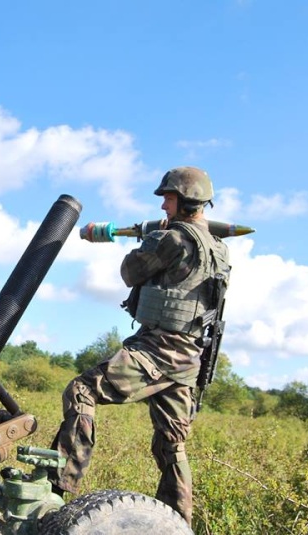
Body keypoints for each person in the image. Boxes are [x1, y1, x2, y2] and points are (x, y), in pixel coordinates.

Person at [48, 166, 231, 525]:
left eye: (169, 197)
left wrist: (152, 239)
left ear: (186, 200)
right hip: (188, 357)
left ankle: (57, 488)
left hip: (158, 349)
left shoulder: (173, 240)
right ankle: (179, 523)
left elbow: (130, 272)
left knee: (82, 390)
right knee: (171, 443)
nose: (163, 204)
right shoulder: (219, 249)